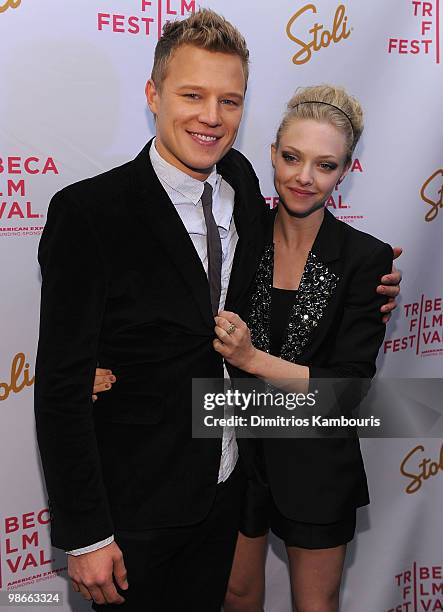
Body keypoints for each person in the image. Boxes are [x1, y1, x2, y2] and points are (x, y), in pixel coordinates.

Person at [35, 9, 401, 612]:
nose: (211, 116)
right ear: (153, 95)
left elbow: (292, 268)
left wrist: (367, 280)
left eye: (229, 100)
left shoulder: (238, 179)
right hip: (137, 507)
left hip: (230, 488)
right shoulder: (89, 214)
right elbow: (58, 388)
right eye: (192, 94)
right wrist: (87, 534)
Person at [212, 85, 393, 612]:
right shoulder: (238, 236)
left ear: (344, 171)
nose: (303, 177)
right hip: (237, 453)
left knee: (316, 605)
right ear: (271, 152)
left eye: (325, 164)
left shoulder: (366, 259)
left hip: (317, 460)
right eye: (291, 157)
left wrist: (251, 359)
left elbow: (348, 390)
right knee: (235, 593)